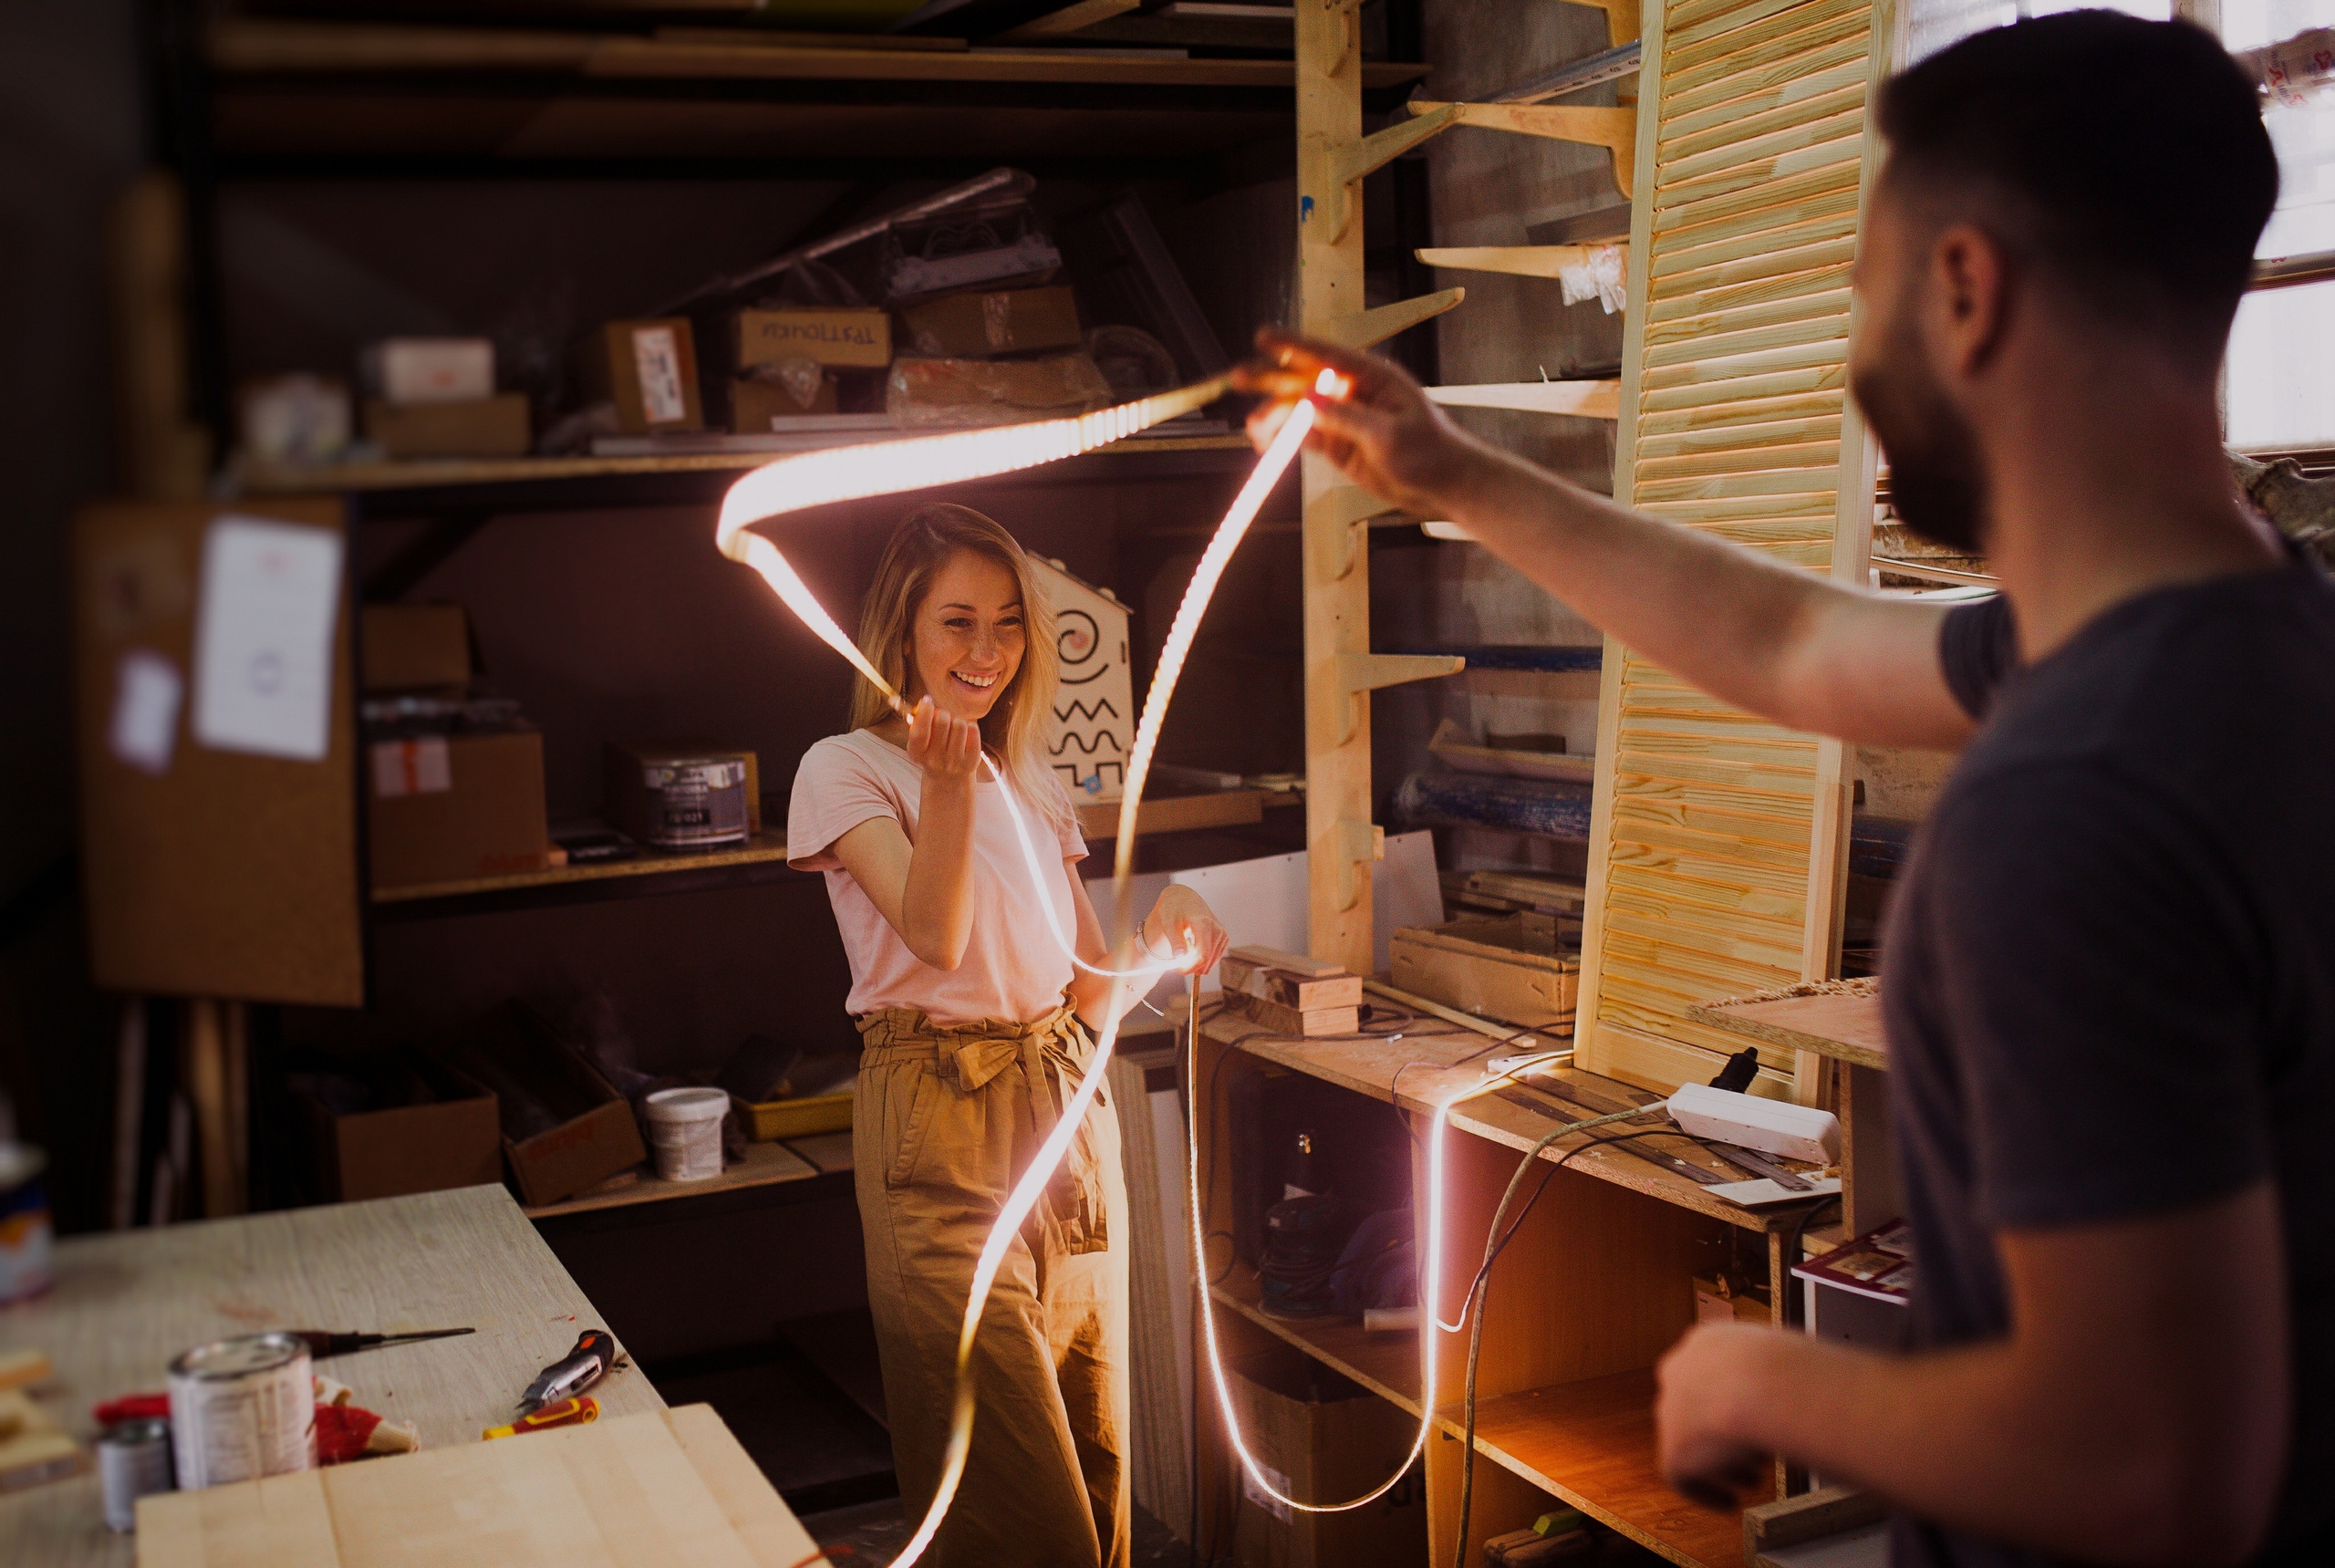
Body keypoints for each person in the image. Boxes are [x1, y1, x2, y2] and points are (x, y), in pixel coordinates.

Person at [1237, 14, 2330, 1568]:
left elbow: (2152, 1463)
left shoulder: (2072, 802)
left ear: (1966, 289)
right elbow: (1795, 636)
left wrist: (1778, 1377)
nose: (1853, 356)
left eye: (1863, 293)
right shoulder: (2253, 640)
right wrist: (1454, 468)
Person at [786, 504, 1229, 1568]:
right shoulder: (844, 767)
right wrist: (944, 784)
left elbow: (1085, 991)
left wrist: (1169, 921)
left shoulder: (1030, 779)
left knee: (1094, 1468)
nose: (984, 654)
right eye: (955, 624)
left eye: (1007, 625)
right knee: (1014, 1514)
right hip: (936, 1122)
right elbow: (935, 938)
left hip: (1066, 1116)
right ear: (901, 633)